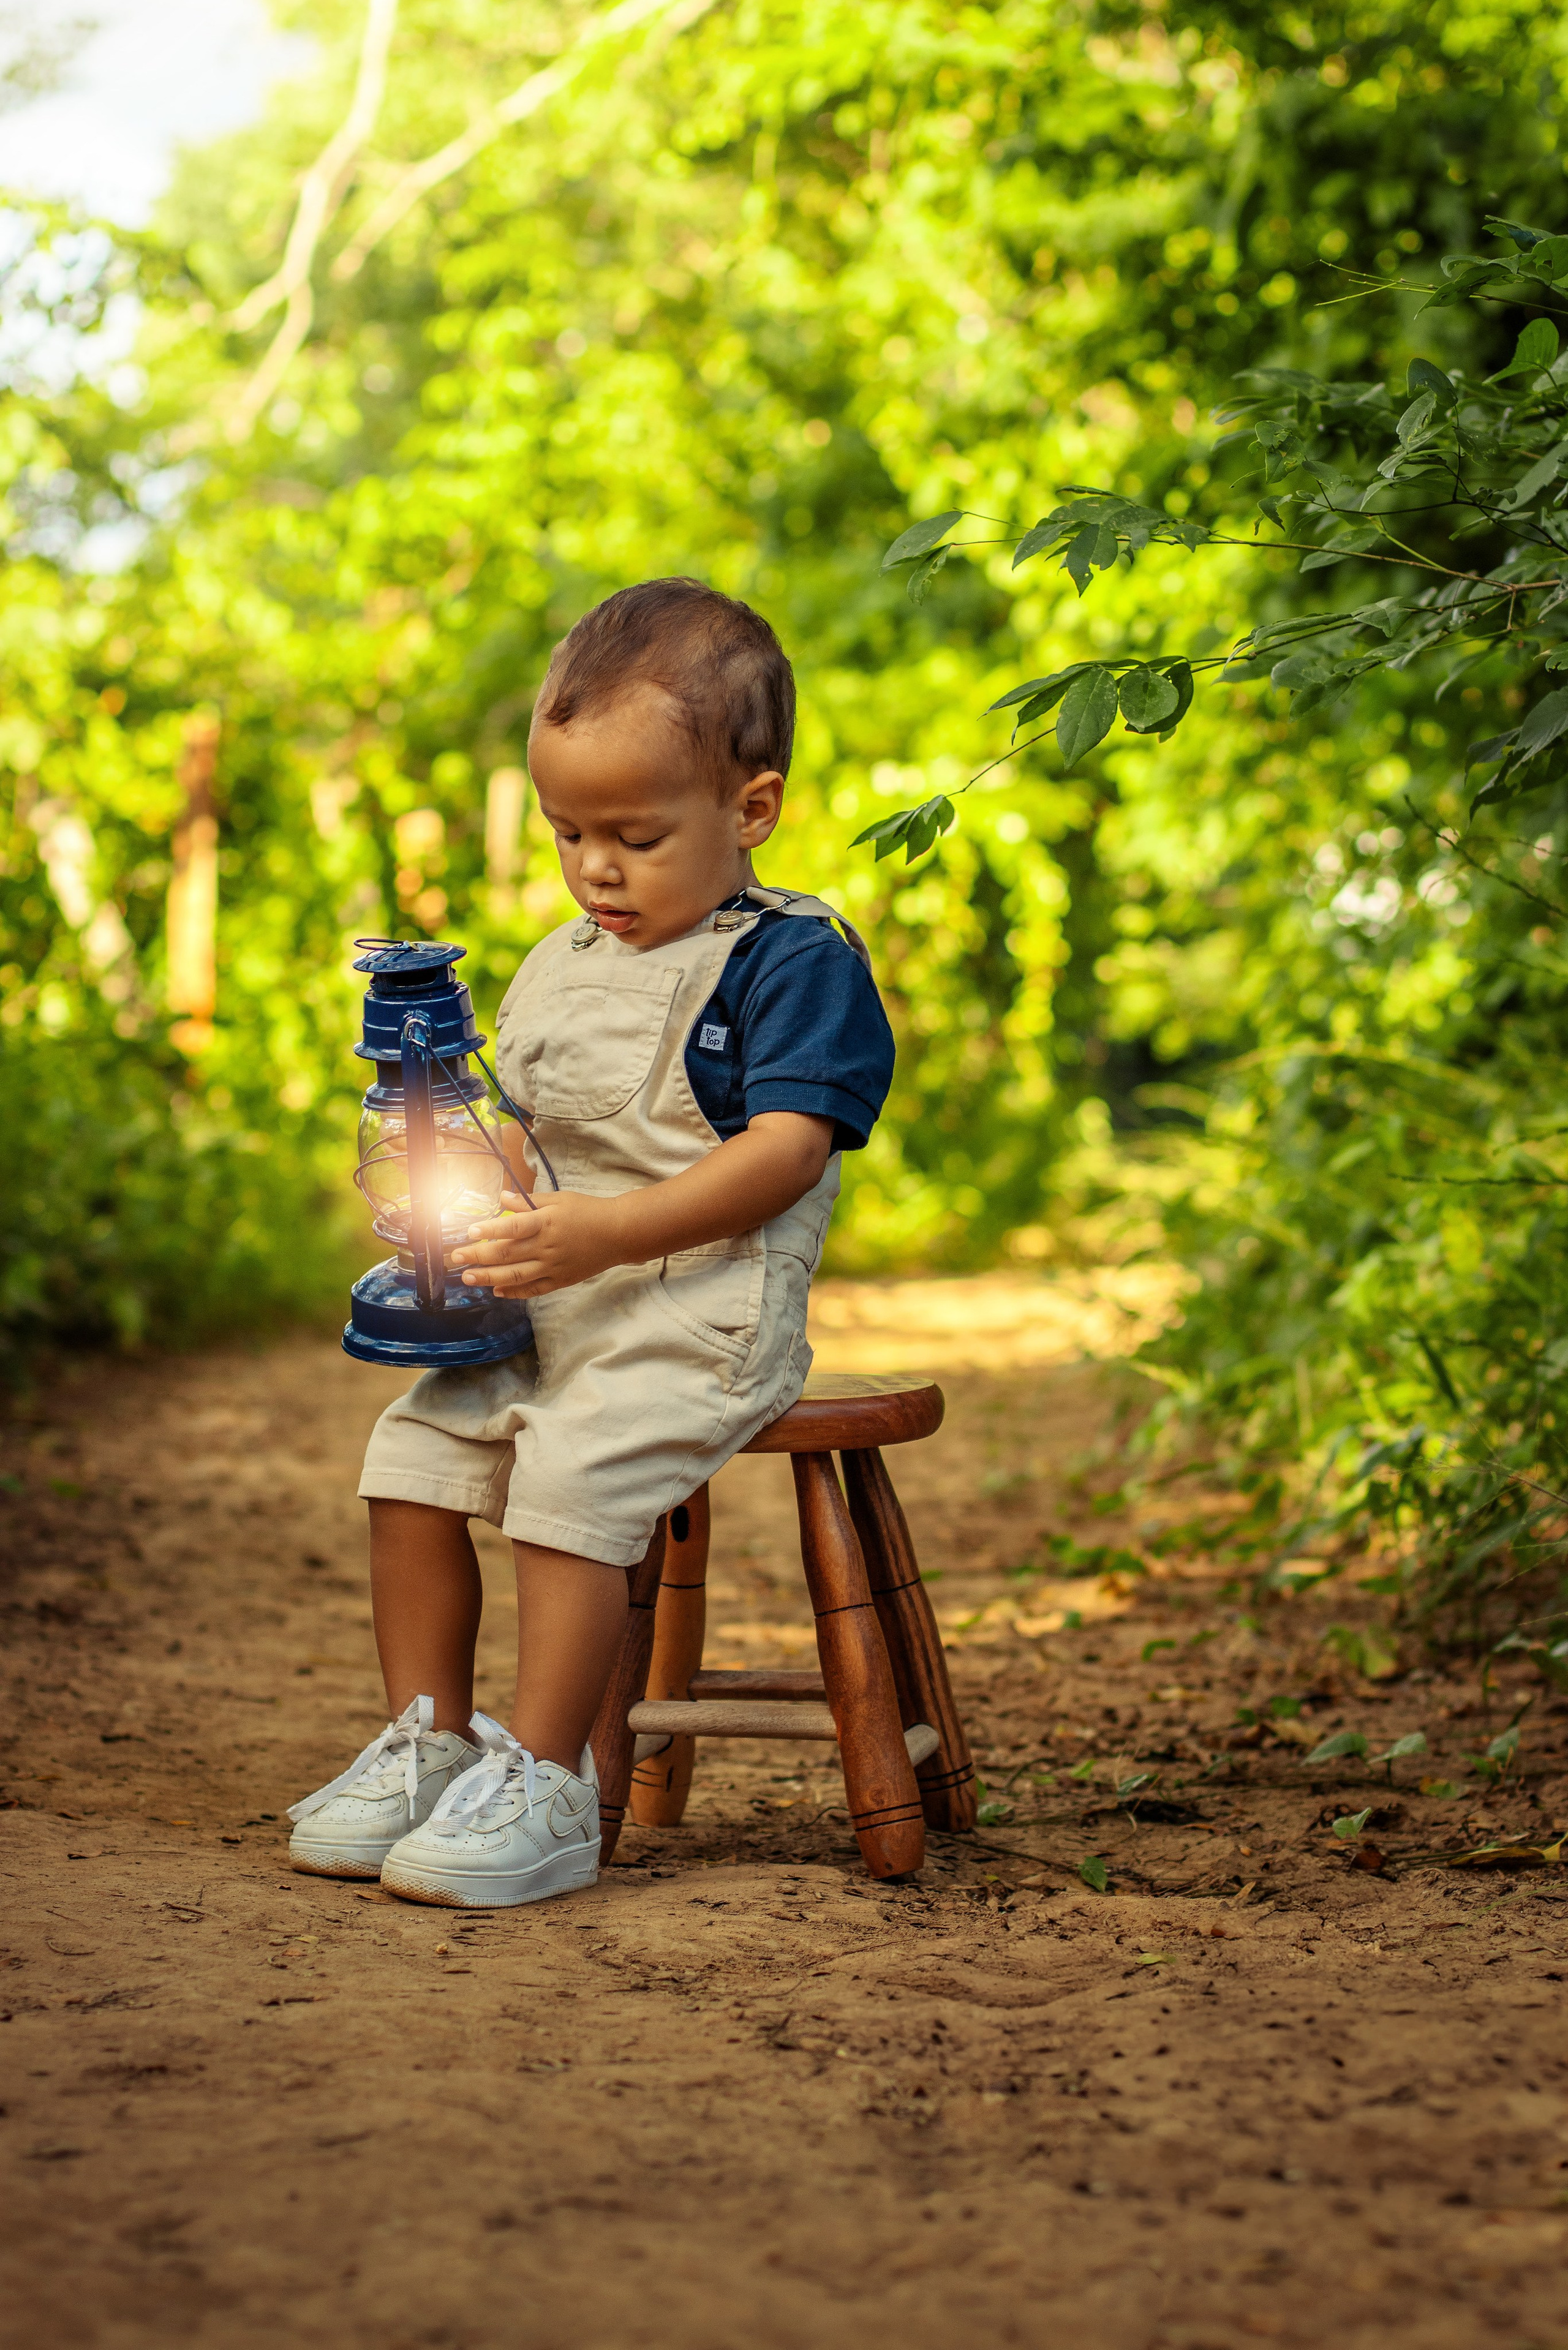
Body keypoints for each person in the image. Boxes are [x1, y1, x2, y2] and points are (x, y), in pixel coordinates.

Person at [287, 578, 895, 1907]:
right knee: (415, 1449)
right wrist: (467, 1169)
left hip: (700, 1314)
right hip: (558, 1300)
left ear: (751, 808)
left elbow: (785, 1149)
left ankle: (546, 1775)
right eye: (568, 834)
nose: (595, 870)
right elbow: (541, 1137)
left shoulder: (791, 961)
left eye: (631, 833)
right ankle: (428, 1744)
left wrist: (606, 1233)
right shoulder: (560, 957)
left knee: (568, 1472)